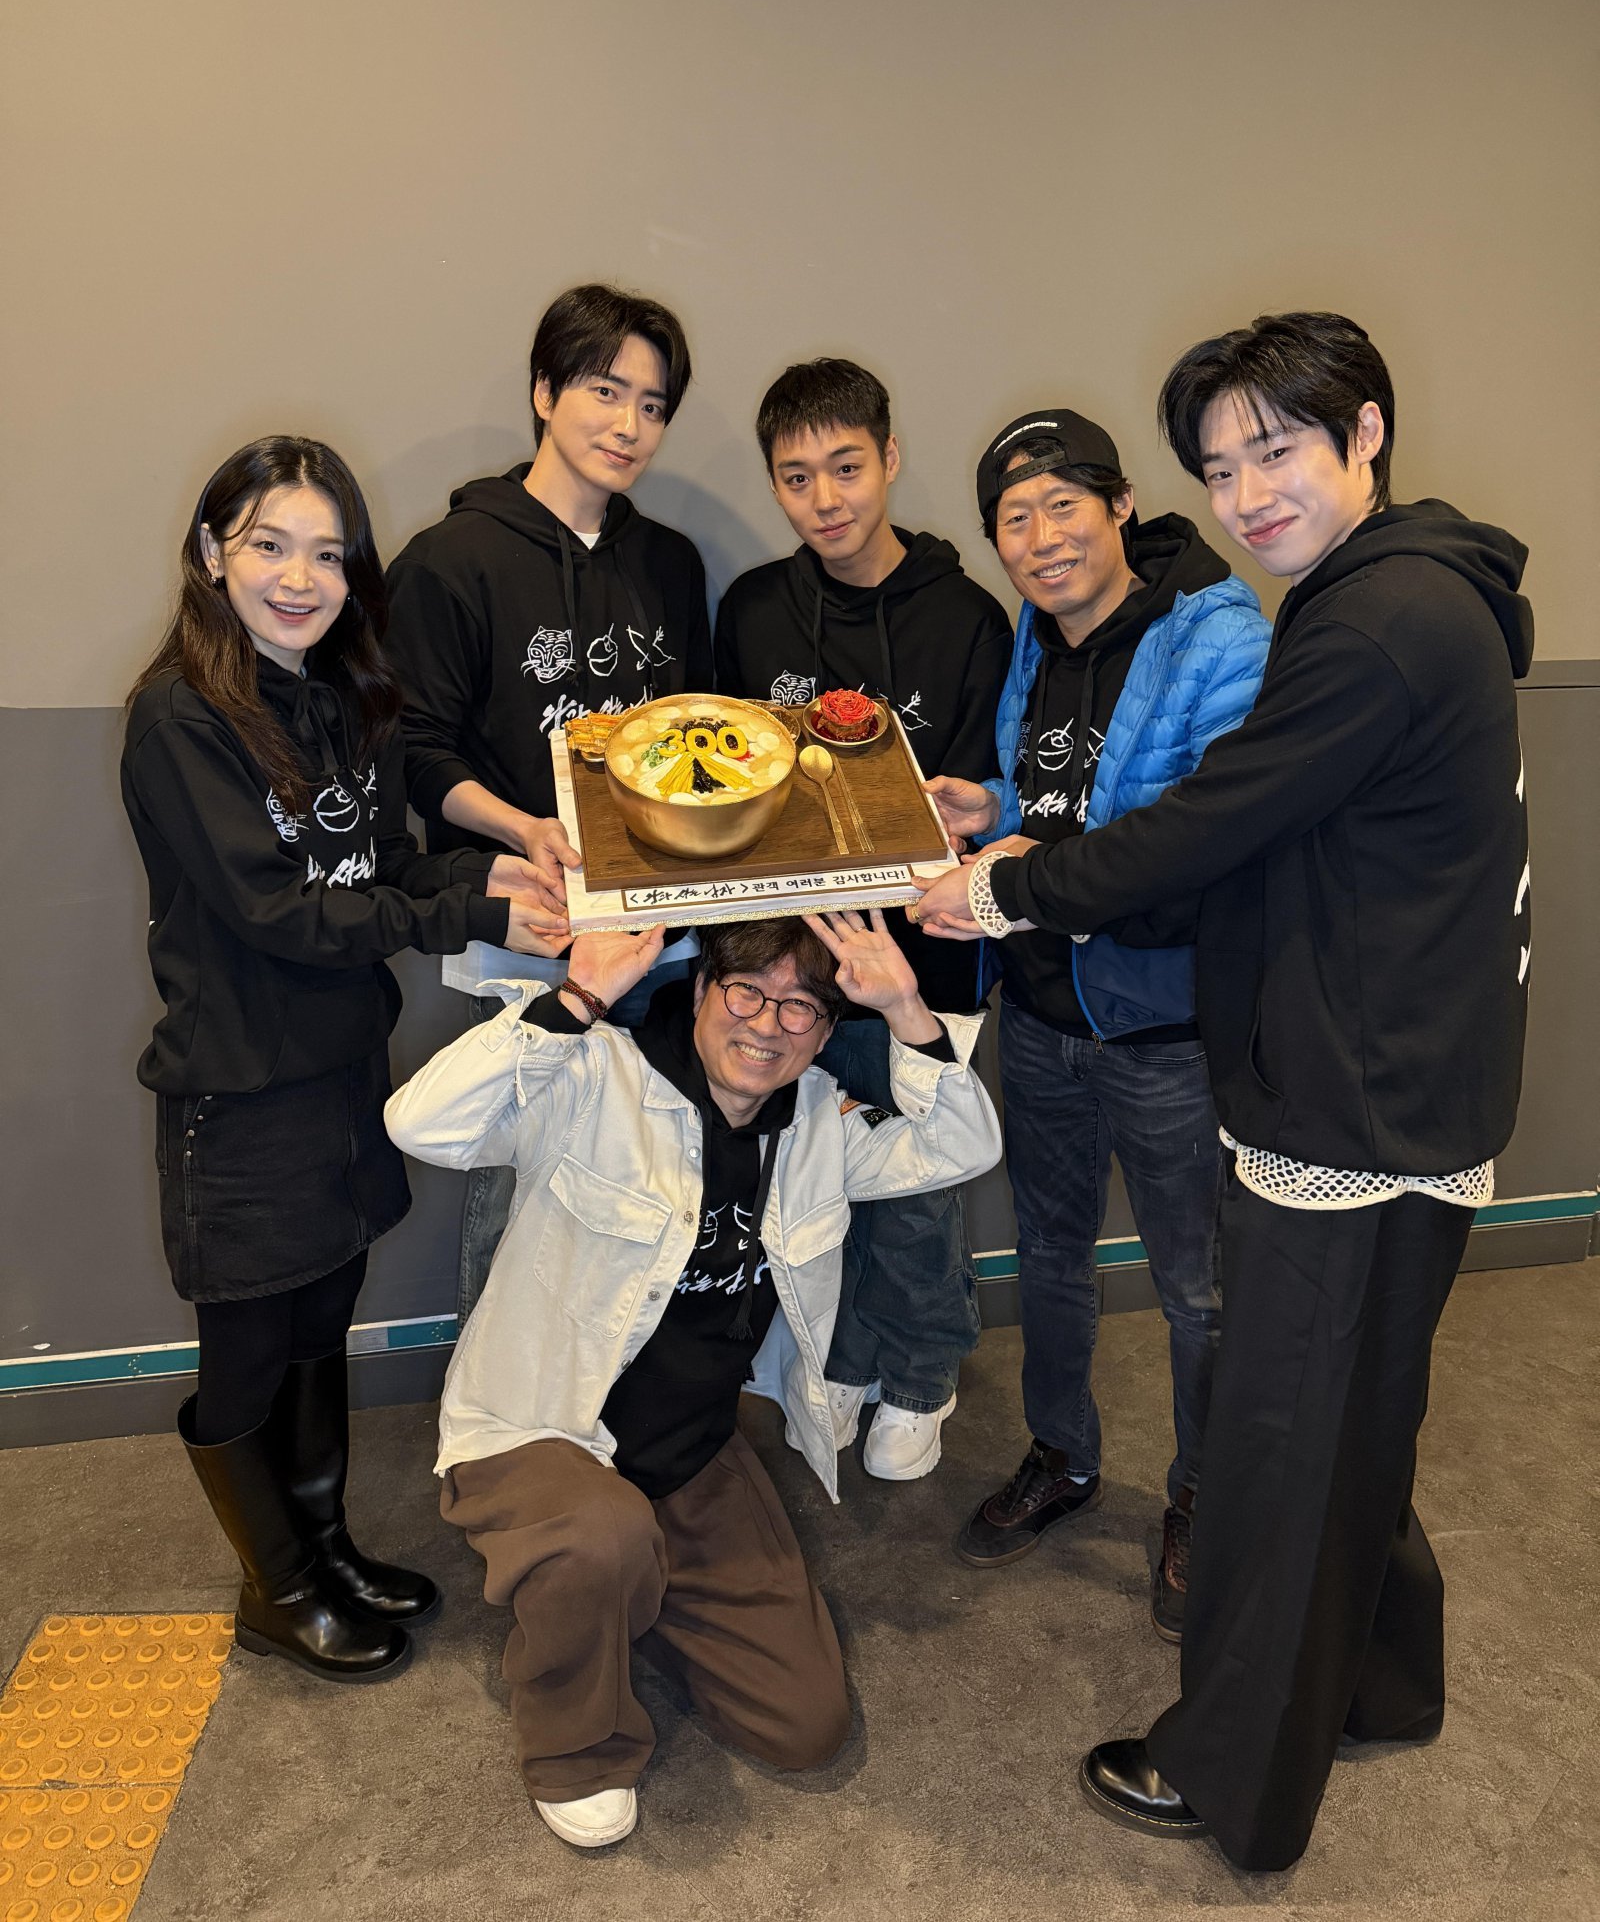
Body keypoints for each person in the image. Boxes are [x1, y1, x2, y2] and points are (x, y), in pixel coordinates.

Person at [915, 312, 1532, 1871]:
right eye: (1221, 465)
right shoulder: (1389, 590)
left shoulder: (1374, 622)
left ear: (1365, 431)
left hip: (1357, 1099)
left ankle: (1238, 1770)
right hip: (1399, 1078)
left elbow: (1210, 821)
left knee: (1281, 1433)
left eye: (1277, 449)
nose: (1248, 493)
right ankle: (1378, 1679)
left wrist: (1002, 890)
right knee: (1356, 1417)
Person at [384, 909, 1002, 1847]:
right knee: (599, 1534)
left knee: (804, 1725)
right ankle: (574, 1739)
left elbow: (963, 1146)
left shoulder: (818, 1122)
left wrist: (909, 1007)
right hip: (538, 1431)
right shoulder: (595, 1073)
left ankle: (620, 1583)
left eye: (800, 1008)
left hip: (691, 1450)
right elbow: (420, 1122)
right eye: (747, 991)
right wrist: (578, 997)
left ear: (824, 1032)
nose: (768, 1024)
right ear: (704, 987)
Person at [121, 437, 558, 1683]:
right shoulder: (181, 716)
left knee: (324, 1313)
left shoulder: (345, 694)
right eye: (269, 545)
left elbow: (378, 865)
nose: (299, 579)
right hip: (238, 1088)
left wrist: (496, 869)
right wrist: (470, 913)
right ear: (212, 553)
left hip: (341, 1069)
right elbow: (281, 912)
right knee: (248, 1347)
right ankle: (275, 1590)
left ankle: (324, 1551)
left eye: (327, 553)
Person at [923, 407, 1269, 1629]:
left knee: (1197, 1290)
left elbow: (1207, 837)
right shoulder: (1037, 630)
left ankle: (1206, 1495)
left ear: (1121, 505)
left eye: (1063, 505)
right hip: (1039, 1011)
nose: (1040, 538)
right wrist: (991, 805)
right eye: (1013, 520)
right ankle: (1062, 1454)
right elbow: (1059, 795)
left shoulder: (1217, 633)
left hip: (1162, 1026)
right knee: (1052, 1256)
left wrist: (1017, 872)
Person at [384, 284, 714, 1324]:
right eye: (605, 391)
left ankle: (632, 1397)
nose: (629, 425)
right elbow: (414, 750)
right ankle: (498, 1410)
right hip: (534, 925)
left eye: (652, 406)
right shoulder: (450, 561)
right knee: (523, 1193)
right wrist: (524, 828)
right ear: (544, 391)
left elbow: (697, 735)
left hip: (659, 931)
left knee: (650, 1186)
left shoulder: (669, 563)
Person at [714, 358, 1012, 1479]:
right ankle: (839, 1358)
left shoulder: (968, 618)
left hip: (922, 961)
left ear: (889, 457)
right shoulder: (752, 611)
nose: (824, 498)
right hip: (793, 959)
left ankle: (924, 1374)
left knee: (920, 1188)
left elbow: (987, 796)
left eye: (846, 467)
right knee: (821, 1173)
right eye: (796, 478)